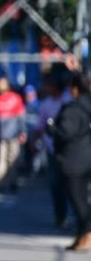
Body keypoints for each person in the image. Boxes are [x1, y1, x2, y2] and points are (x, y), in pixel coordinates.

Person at [49, 74, 91, 251]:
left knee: (77, 199)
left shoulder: (75, 108)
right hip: (85, 156)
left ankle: (86, 232)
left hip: (74, 159)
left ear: (75, 88)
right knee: (81, 198)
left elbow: (65, 131)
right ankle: (82, 234)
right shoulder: (86, 106)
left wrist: (52, 128)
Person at [35, 75, 72, 227]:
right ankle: (60, 215)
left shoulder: (69, 100)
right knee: (55, 183)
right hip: (52, 148)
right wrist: (34, 140)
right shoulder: (45, 104)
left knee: (72, 183)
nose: (47, 89)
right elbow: (40, 125)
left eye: (49, 85)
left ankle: (79, 216)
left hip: (71, 148)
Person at [0, 76, 26, 192]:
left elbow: (21, 117)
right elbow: (21, 116)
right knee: (6, 160)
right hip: (6, 135)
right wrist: (23, 131)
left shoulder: (10, 99)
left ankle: (6, 182)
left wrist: (22, 131)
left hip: (7, 135)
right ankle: (5, 182)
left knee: (8, 160)